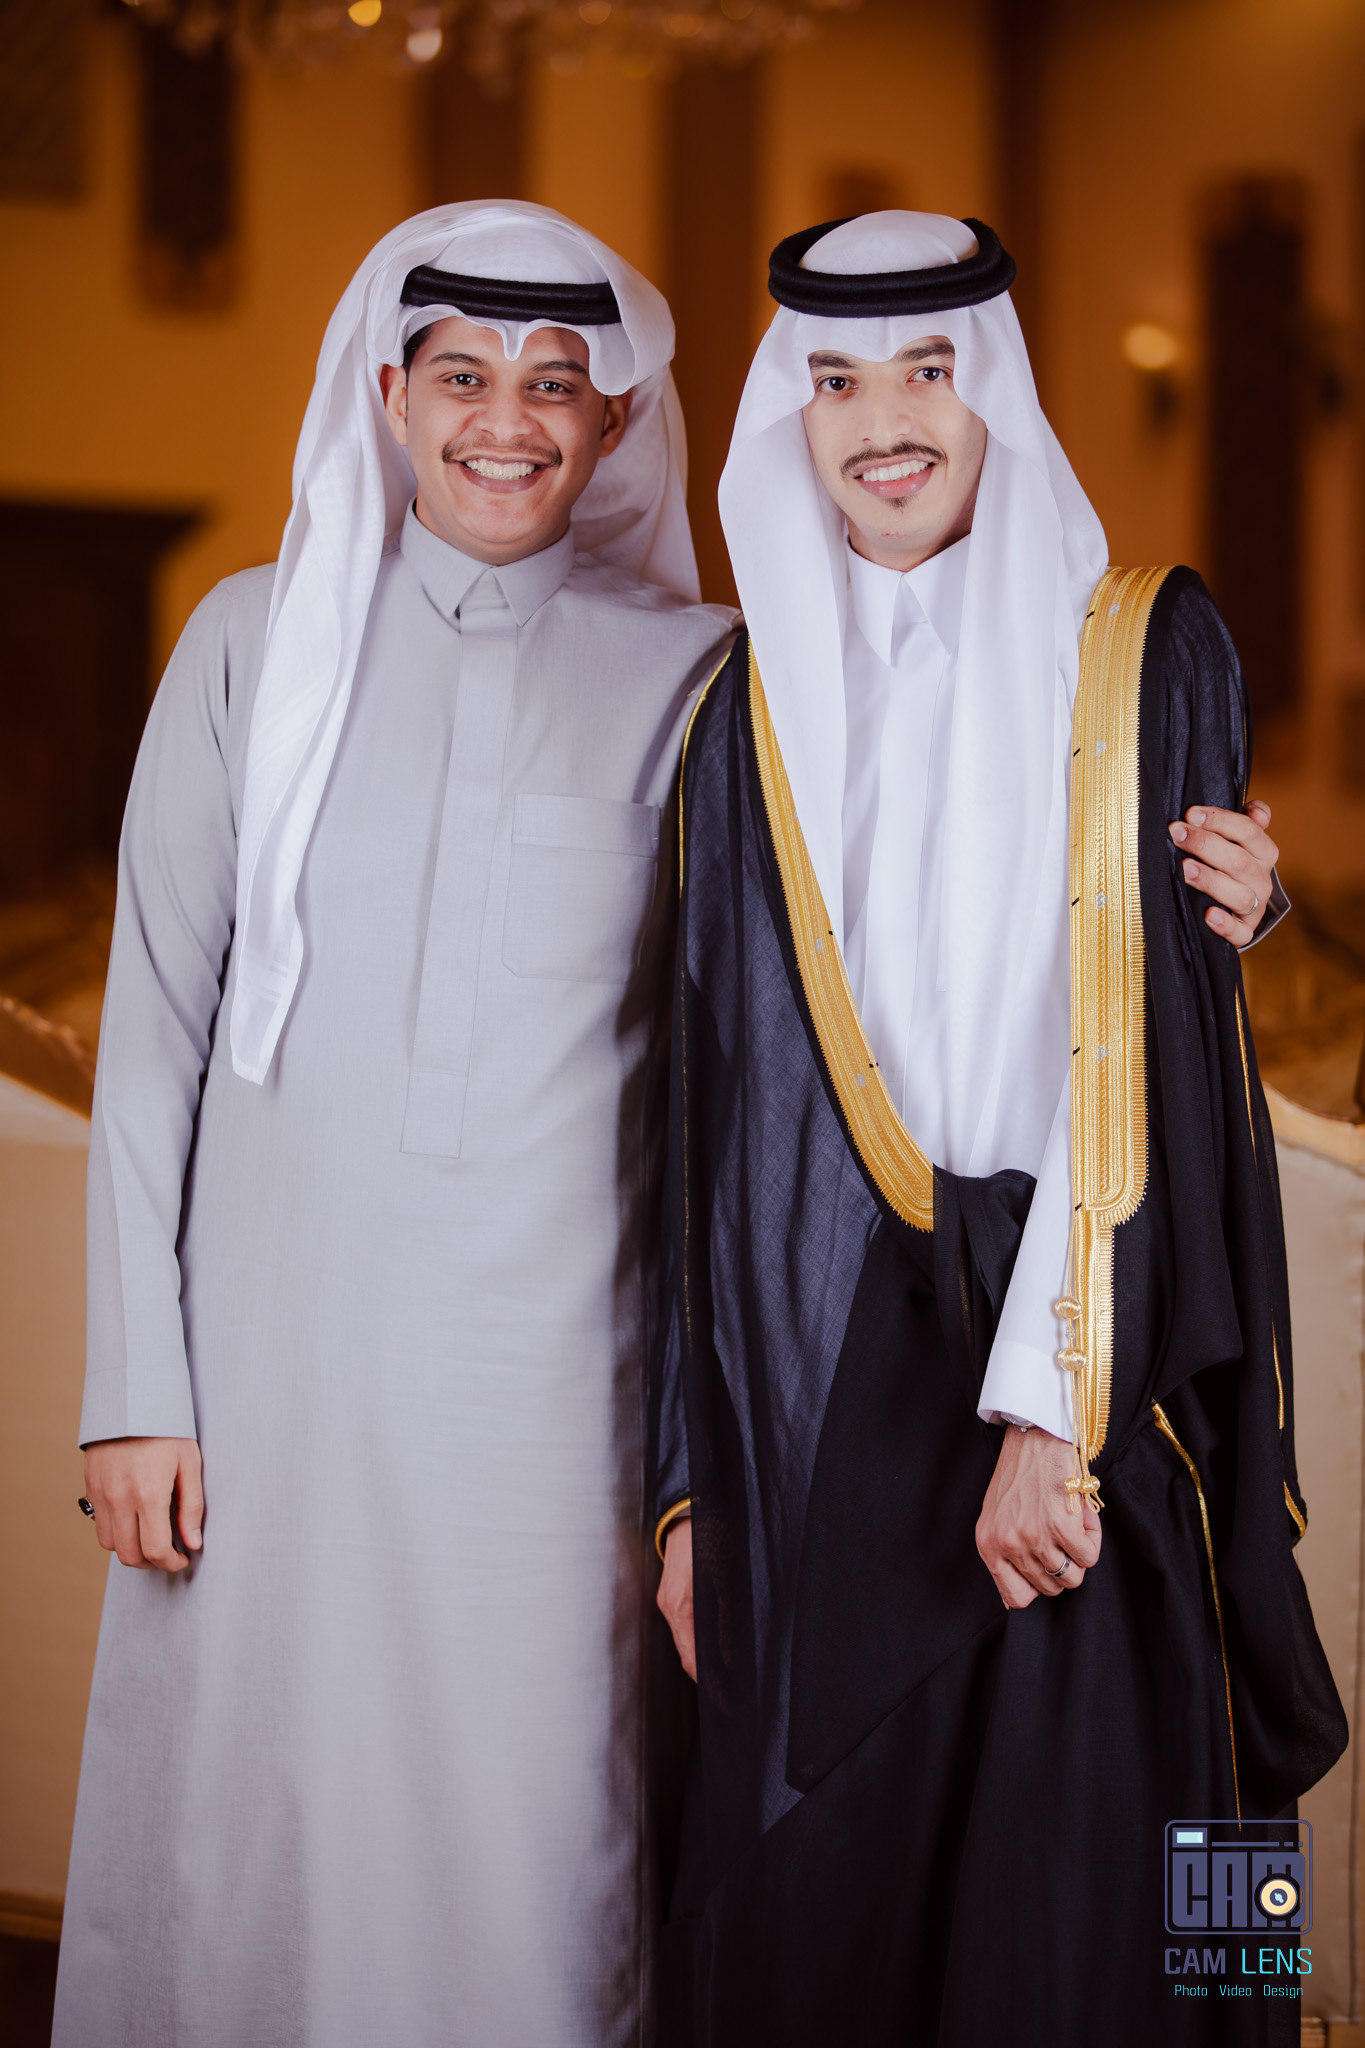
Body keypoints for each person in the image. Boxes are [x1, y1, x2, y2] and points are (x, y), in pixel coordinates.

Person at [651, 211, 1344, 2045]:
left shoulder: (1147, 644)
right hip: (825, 1397)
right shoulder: (734, 716)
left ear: (997, 395)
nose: (882, 421)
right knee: (823, 1927)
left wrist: (1051, 1410)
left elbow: (1140, 1045)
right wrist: (689, 1488)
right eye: (835, 381)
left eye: (927, 372)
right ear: (789, 414)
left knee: (1137, 1909)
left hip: (1100, 1381)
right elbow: (704, 1125)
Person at [54, 200, 734, 2048]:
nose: (504, 421)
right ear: (387, 394)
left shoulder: (702, 679)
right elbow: (155, 1033)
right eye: (461, 377)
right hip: (266, 1397)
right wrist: (135, 1387)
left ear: (613, 421)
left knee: (530, 1863)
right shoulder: (250, 640)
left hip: (557, 1425)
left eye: (553, 383)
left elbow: (884, 937)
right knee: (249, 1847)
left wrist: (1205, 885)